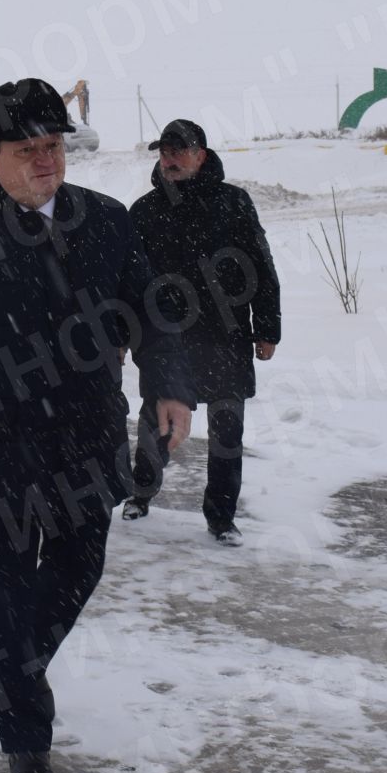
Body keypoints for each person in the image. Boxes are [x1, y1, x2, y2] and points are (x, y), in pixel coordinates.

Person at [0, 79, 194, 773]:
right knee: (0, 595)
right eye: (28, 151)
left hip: (87, 435)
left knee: (78, 570)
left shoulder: (109, 221)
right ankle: (26, 745)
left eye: (54, 147)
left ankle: (14, 666)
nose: (45, 161)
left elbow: (152, 310)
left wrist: (172, 385)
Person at [123, 120, 281, 545]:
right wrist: (121, 334)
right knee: (156, 423)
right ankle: (142, 491)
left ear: (202, 155)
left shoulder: (234, 203)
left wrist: (267, 328)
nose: (170, 158)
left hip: (225, 335)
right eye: (164, 151)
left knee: (227, 432)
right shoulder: (144, 210)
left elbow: (262, 268)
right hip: (166, 341)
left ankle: (221, 517)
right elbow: (127, 282)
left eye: (180, 149)